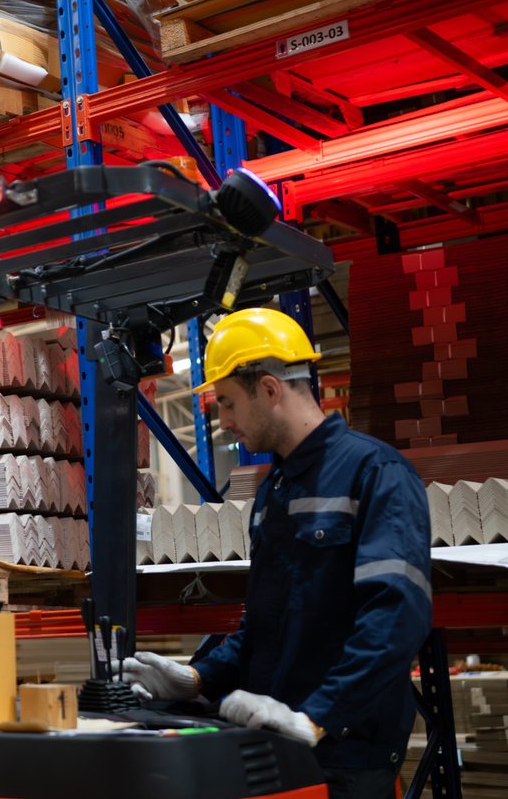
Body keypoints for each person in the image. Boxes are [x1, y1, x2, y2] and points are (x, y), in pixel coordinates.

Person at [121, 308, 431, 799]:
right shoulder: (275, 491)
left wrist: (316, 717)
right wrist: (198, 677)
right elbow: (265, 624)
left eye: (226, 403)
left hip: (345, 756)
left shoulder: (374, 473)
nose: (222, 423)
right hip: (279, 745)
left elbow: (395, 620)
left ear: (269, 390)